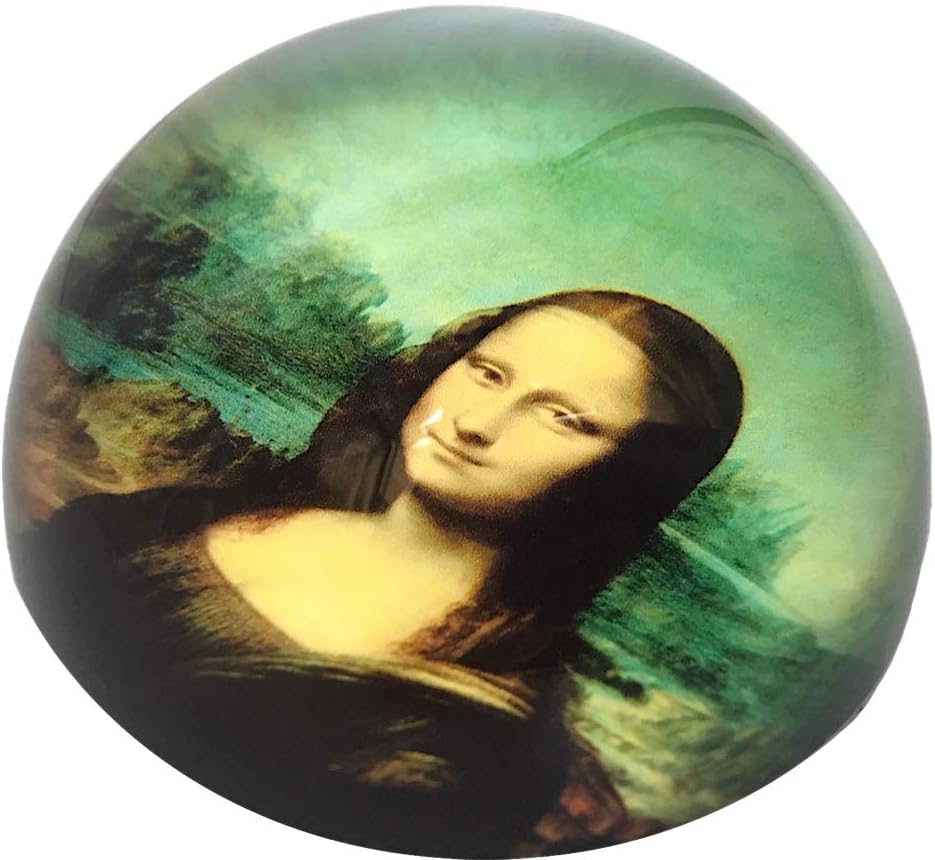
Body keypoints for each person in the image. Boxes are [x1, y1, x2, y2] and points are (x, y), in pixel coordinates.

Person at [11, 289, 743, 858]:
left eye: (561, 418)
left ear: (623, 478)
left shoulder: (475, 744)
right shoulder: (214, 512)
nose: (477, 423)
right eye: (487, 373)